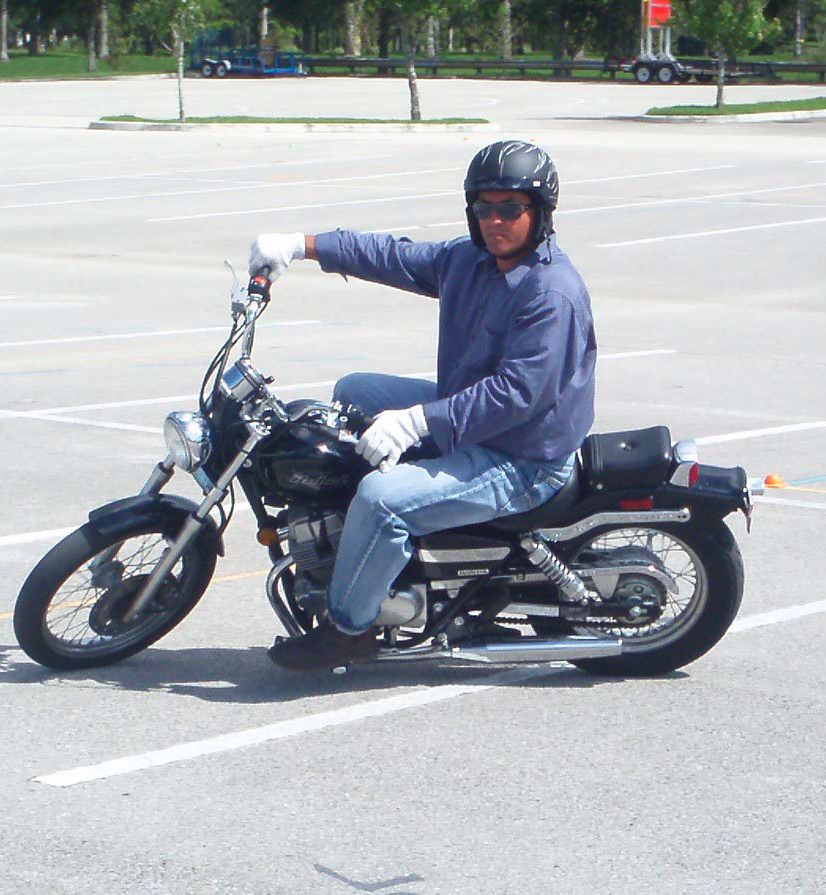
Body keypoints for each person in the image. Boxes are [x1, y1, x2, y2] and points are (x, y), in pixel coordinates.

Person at [249, 140, 597, 671]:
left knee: (381, 500)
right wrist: (300, 245)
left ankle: (349, 628)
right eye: (484, 207)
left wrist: (417, 422)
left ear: (541, 212)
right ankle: (366, 542)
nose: (495, 221)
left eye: (510, 208)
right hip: (475, 419)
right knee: (354, 390)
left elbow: (516, 395)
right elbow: (391, 255)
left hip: (522, 458)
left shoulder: (552, 293)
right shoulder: (470, 261)